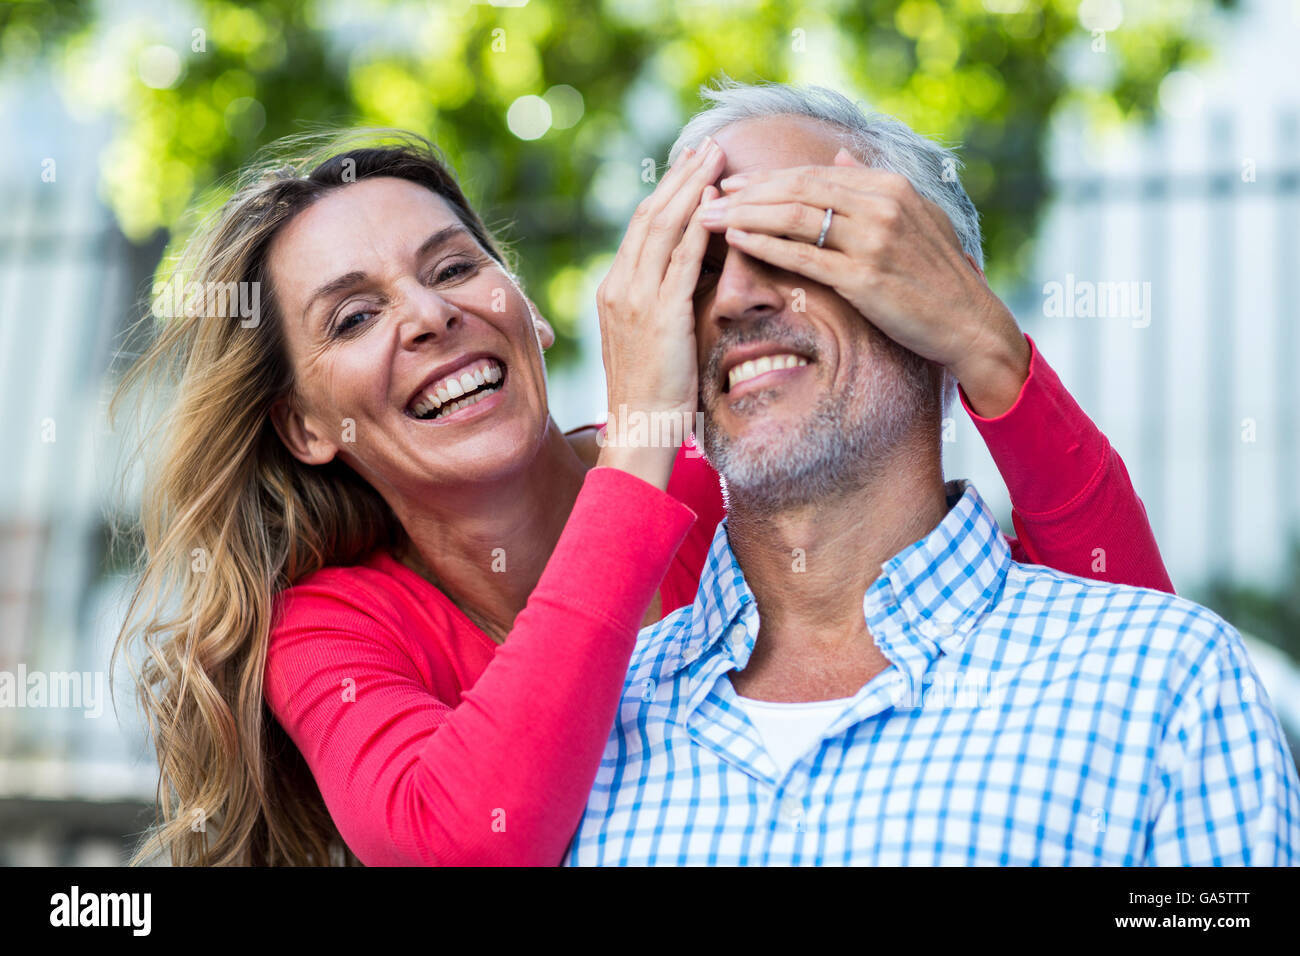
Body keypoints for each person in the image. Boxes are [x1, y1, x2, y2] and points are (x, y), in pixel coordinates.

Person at [113, 105, 1169, 867]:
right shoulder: (330, 624)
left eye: (452, 268)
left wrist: (985, 345)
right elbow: (463, 842)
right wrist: (646, 437)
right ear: (303, 425)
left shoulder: (739, 499)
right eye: (352, 317)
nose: (428, 316)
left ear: (529, 309)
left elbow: (1113, 624)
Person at [564, 81, 1300, 866]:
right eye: (694, 268)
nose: (736, 297)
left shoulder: (1168, 681)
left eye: (797, 241)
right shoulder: (575, 734)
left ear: (934, 302)